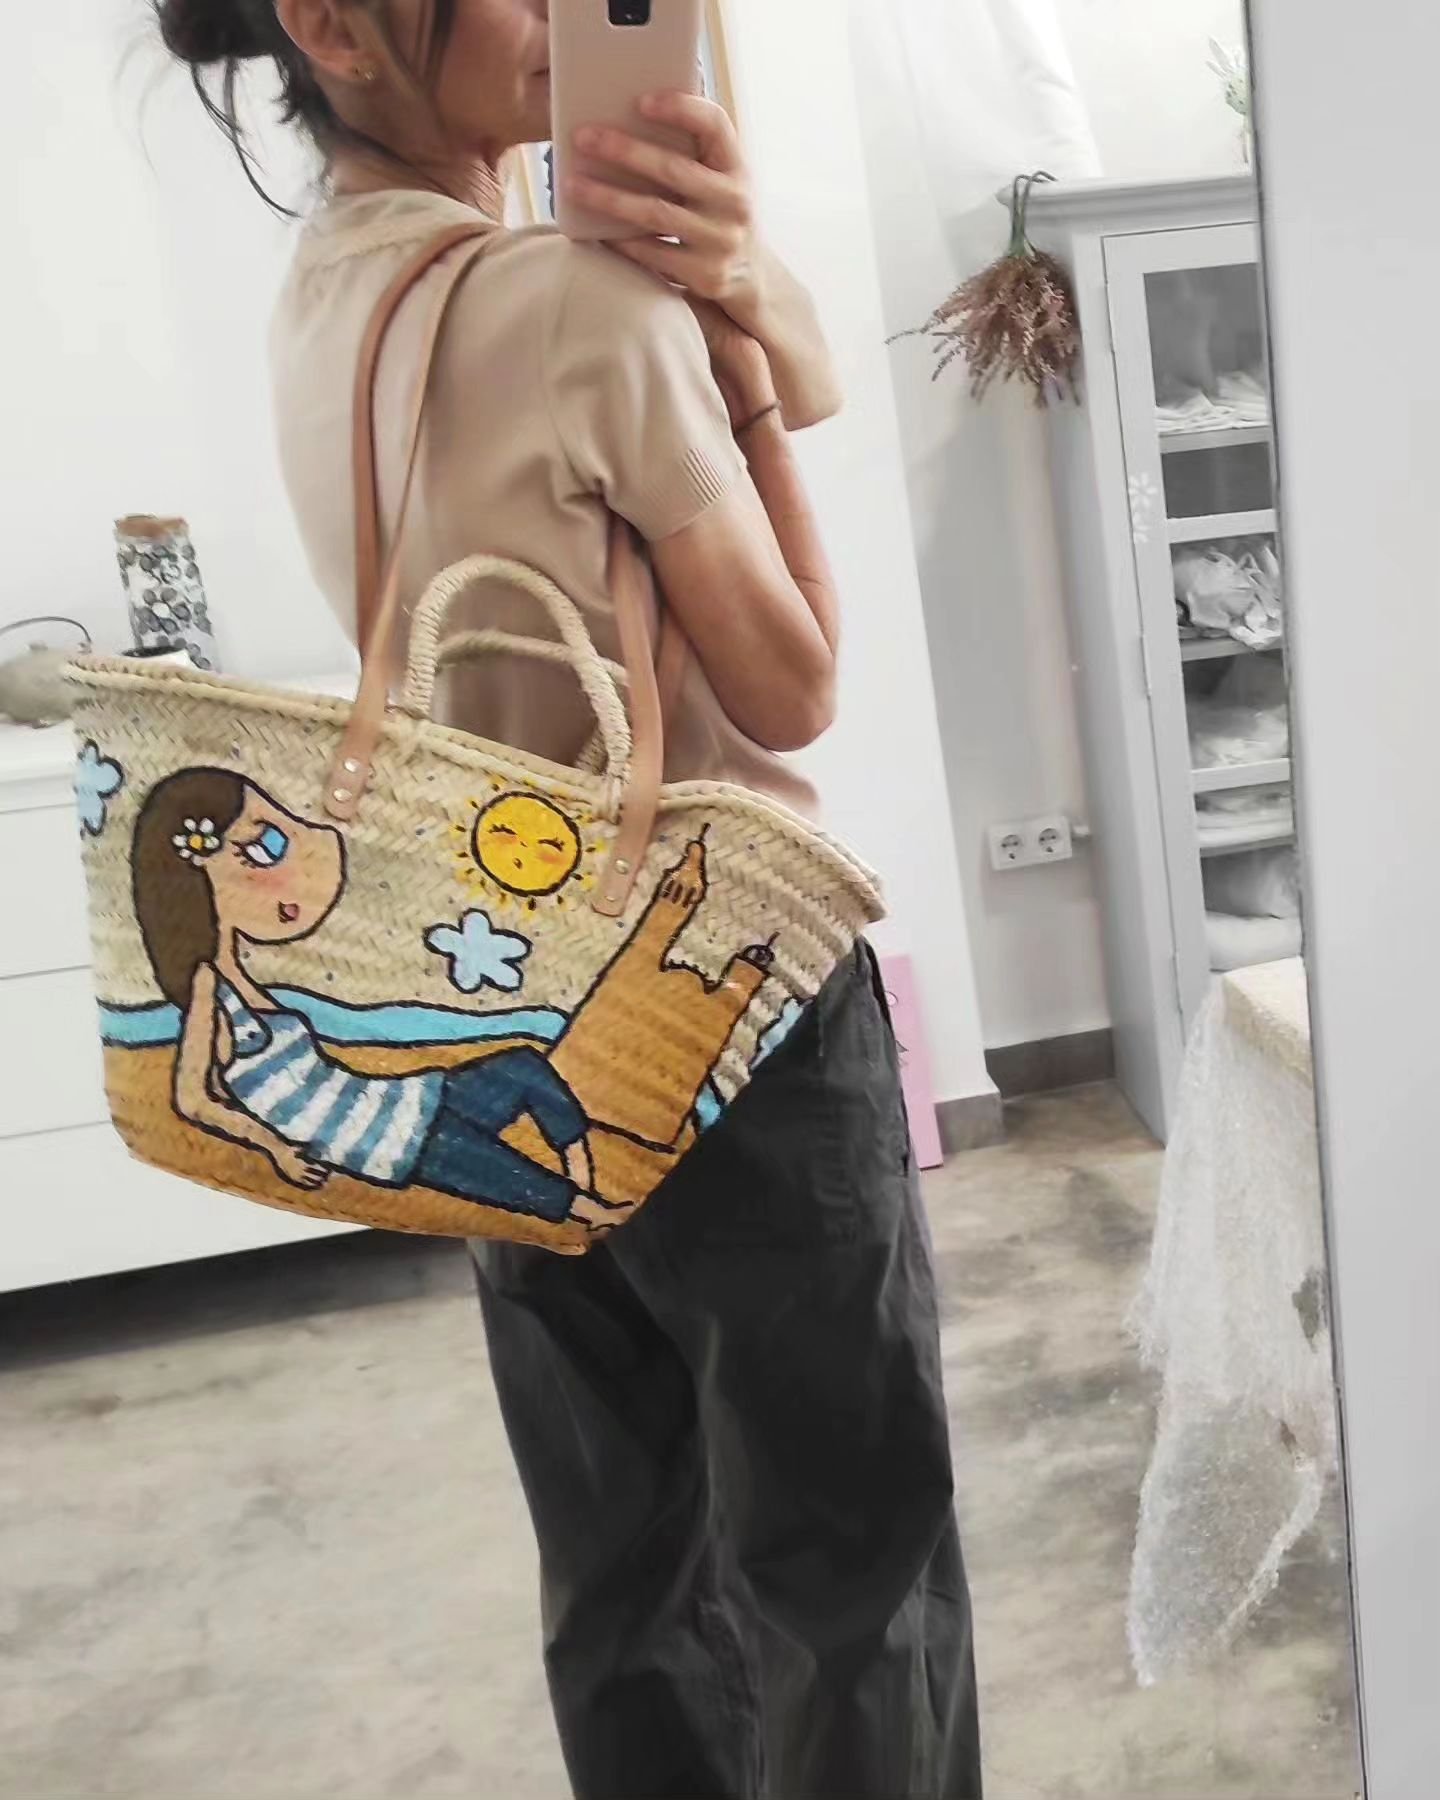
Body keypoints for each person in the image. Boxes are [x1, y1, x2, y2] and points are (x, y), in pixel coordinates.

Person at [154, 3, 982, 1794]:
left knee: (623, 1575)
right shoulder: (572, 307)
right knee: (849, 1580)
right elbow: (794, 684)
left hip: (492, 1004)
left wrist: (716, 285)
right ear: (334, 24)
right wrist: (725, 346)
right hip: (727, 1001)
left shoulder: (329, 297)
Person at [131, 766, 627, 1230]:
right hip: (380, 1141)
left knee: (523, 1068)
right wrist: (276, 1147)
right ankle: (592, 1211)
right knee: (512, 1177)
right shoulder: (208, 987)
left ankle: (587, 1181)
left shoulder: (239, 979)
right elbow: (192, 1099)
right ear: (203, 868)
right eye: (266, 846)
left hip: (398, 1101)